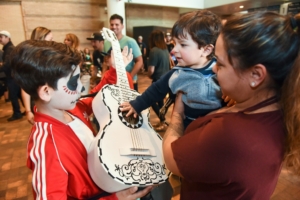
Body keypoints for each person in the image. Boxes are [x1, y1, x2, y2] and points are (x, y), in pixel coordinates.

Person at [162, 11, 300, 199]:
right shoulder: (282, 109)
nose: (213, 68)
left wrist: (177, 115)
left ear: (256, 75)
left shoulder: (230, 134)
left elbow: (170, 159)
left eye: (220, 63)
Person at [10, 40, 153, 199]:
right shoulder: (47, 148)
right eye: (73, 82)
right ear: (46, 91)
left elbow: (98, 97)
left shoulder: (70, 108)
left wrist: (115, 71)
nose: (80, 87)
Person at [121, 10, 222, 129]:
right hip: (189, 128)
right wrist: (136, 105)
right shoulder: (178, 73)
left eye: (183, 45)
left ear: (206, 50)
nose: (174, 50)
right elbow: (156, 89)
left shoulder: (221, 68)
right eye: (174, 44)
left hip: (218, 127)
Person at [104, 14, 143, 91]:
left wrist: (130, 77)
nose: (114, 27)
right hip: (113, 81)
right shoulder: (106, 42)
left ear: (122, 26)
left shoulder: (130, 41)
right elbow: (105, 61)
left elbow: (140, 61)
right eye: (112, 24)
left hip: (129, 82)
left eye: (117, 24)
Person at [23, 26, 53, 125]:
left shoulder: (50, 57)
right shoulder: (30, 61)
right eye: (50, 40)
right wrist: (28, 111)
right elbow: (24, 87)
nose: (53, 43)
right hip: (39, 103)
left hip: (51, 100)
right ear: (40, 39)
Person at [146, 30, 170, 131]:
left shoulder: (154, 50)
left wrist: (149, 75)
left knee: (149, 99)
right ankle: (162, 122)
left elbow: (151, 70)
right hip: (165, 79)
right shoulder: (165, 49)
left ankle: (163, 121)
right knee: (160, 103)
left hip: (157, 80)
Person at [0, 30, 23, 121]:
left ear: (7, 38)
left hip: (12, 76)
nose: (0, 39)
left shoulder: (9, 49)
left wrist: (1, 66)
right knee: (18, 94)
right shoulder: (8, 48)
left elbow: (7, 64)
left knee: (13, 95)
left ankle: (17, 113)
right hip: (14, 75)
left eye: (1, 37)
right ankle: (28, 110)